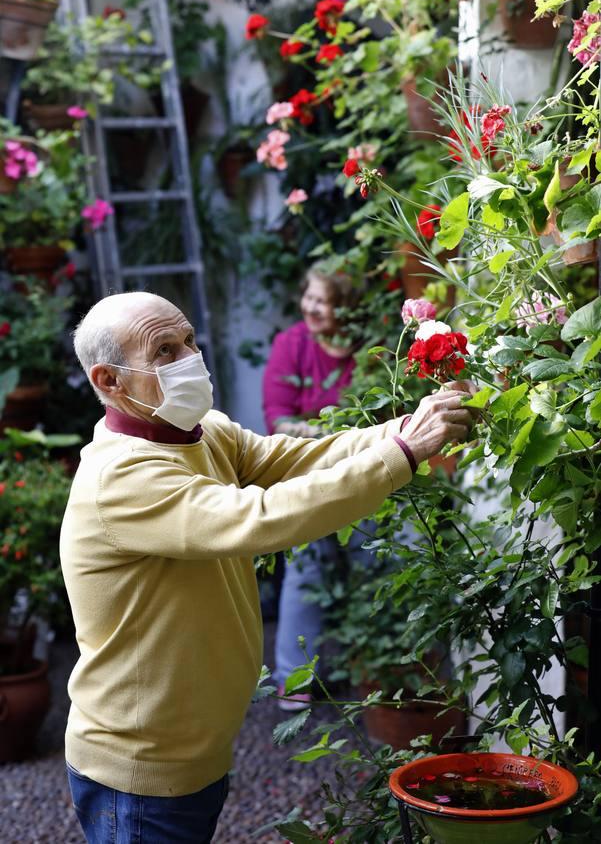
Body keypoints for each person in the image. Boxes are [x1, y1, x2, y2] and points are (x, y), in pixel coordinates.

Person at [60, 290, 475, 843]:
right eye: (164, 351)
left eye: (189, 340)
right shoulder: (122, 479)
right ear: (109, 381)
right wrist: (402, 453)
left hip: (193, 750)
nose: (189, 358)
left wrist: (409, 427)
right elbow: (262, 516)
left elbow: (301, 458)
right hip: (139, 769)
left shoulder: (202, 432)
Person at [263, 265, 381, 709]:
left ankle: (377, 668)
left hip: (366, 475)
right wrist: (333, 437)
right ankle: (294, 680)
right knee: (308, 571)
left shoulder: (371, 349)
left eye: (323, 300)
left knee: (375, 566)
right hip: (308, 477)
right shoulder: (290, 345)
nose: (311, 307)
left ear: (346, 306)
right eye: (308, 297)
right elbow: (279, 420)